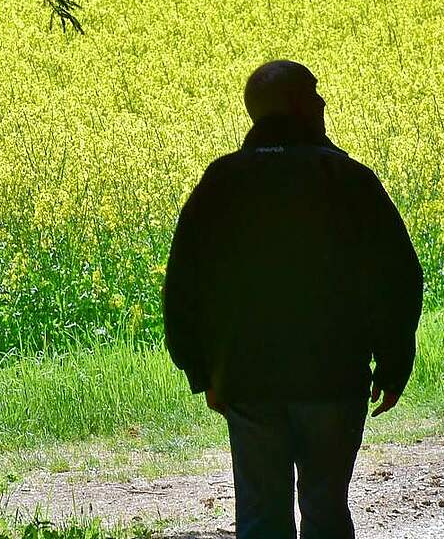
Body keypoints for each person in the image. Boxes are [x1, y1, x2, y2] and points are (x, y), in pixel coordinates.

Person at [162, 60, 424, 539]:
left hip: (246, 378)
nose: (323, 103)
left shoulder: (220, 182)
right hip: (334, 378)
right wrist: (392, 364)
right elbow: (396, 279)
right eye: (314, 94)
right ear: (300, 107)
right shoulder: (348, 179)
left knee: (261, 519)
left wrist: (201, 372)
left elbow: (184, 286)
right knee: (326, 512)